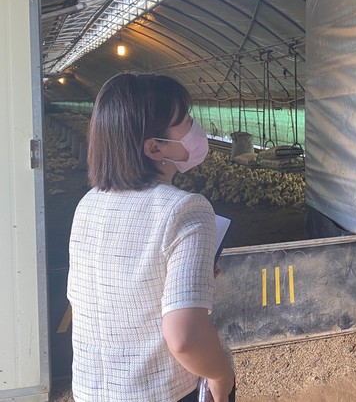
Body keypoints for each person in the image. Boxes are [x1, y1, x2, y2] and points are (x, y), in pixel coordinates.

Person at [67, 73, 236, 402]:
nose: (195, 128)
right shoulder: (184, 208)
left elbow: (86, 297)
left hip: (91, 390)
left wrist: (186, 279)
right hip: (157, 391)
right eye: (185, 122)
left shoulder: (88, 203)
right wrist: (220, 374)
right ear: (154, 147)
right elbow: (184, 336)